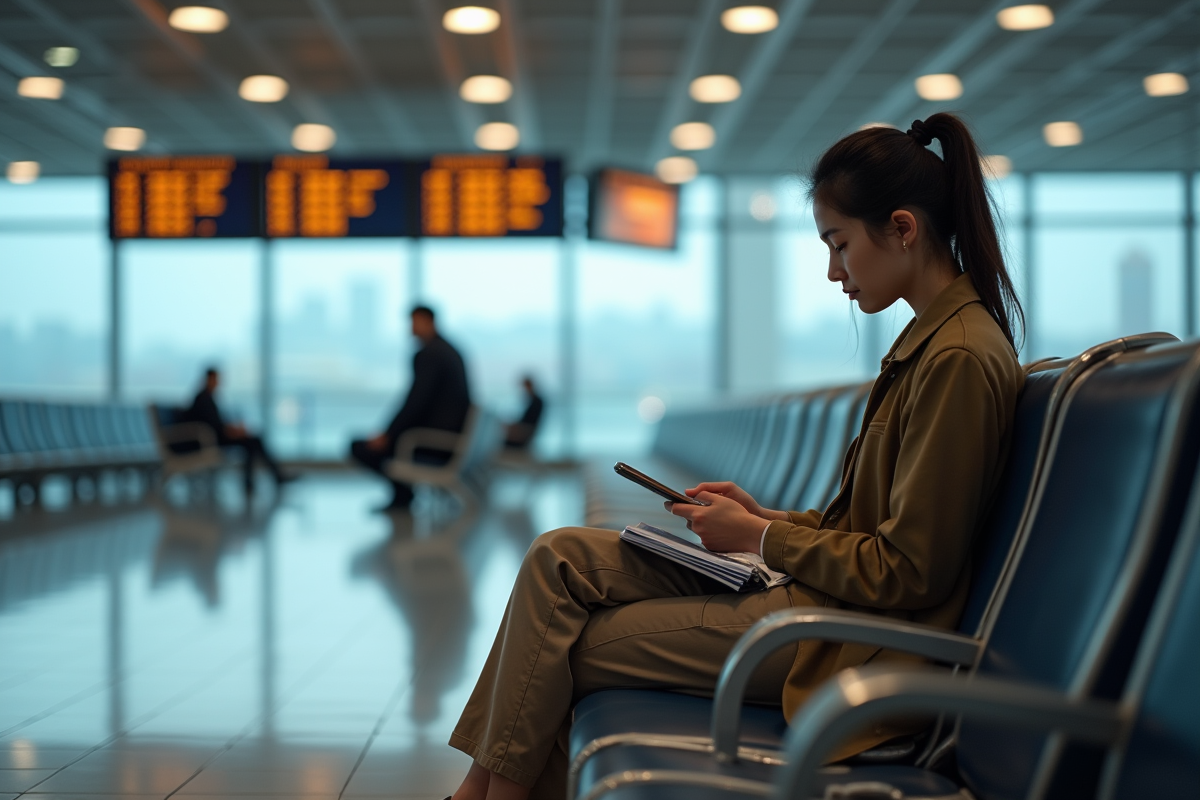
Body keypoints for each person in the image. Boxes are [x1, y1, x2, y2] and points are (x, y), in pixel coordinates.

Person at [447, 112, 1026, 800]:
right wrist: (764, 517)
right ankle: (473, 794)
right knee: (558, 557)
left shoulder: (957, 358)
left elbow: (909, 572)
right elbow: (869, 528)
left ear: (902, 228)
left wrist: (760, 538)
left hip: (845, 641)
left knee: (567, 642)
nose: (834, 271)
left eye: (839, 244)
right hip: (820, 599)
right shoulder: (931, 346)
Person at [349, 306, 471, 511]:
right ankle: (403, 493)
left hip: (432, 440)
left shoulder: (430, 354)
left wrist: (388, 434)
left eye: (415, 322)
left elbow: (415, 402)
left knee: (359, 447)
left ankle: (403, 494)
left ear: (429, 321)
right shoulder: (449, 351)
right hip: (449, 436)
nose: (411, 328)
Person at [185, 367, 294, 495]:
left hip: (213, 437)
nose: (218, 382)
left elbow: (215, 424)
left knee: (253, 440)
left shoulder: (208, 397)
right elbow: (213, 426)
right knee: (252, 441)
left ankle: (260, 480)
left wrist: (233, 429)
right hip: (208, 440)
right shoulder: (203, 399)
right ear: (209, 379)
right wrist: (232, 431)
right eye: (216, 379)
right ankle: (264, 479)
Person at [503, 375, 544, 449]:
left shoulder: (536, 402)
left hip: (526, 434)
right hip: (526, 431)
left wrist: (515, 427)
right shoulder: (534, 402)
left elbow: (529, 423)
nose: (524, 390)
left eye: (525, 387)